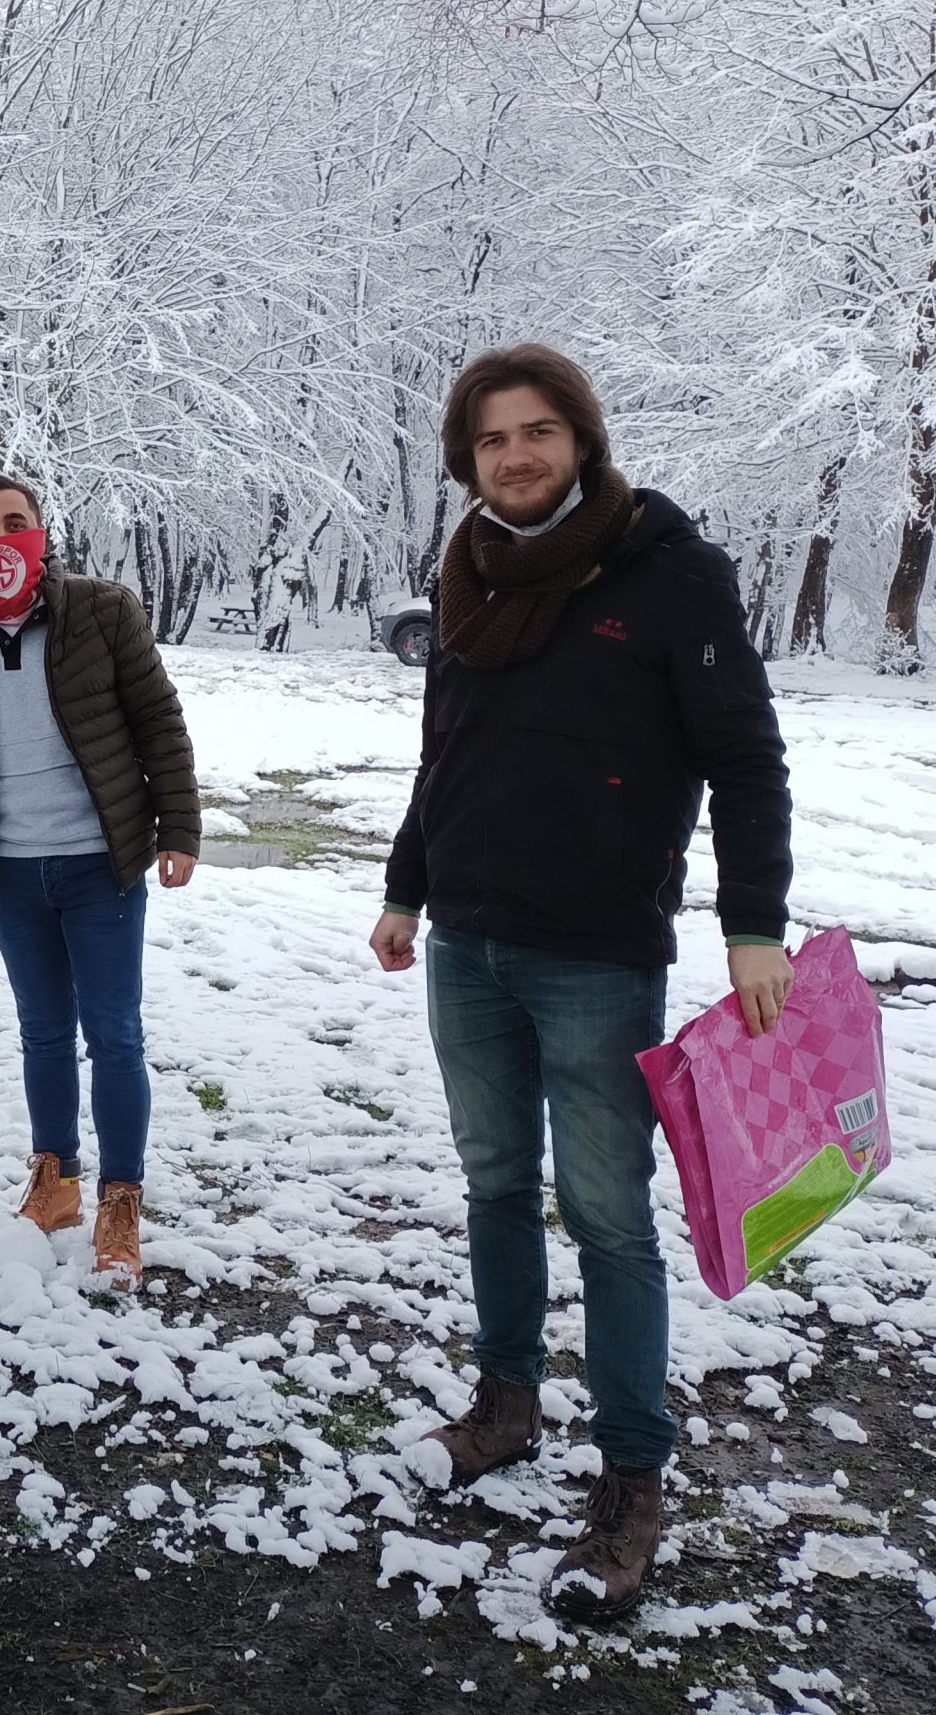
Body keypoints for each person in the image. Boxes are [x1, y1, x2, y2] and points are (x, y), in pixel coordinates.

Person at [368, 344, 794, 1620]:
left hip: (600, 955)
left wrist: (754, 923)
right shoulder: (469, 573)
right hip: (468, 941)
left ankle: (629, 1480)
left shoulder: (668, 571)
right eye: (494, 438)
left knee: (606, 1219)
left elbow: (747, 758)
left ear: (581, 439)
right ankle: (504, 1404)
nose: (517, 454)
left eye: (540, 430)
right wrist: (404, 888)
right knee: (493, 1187)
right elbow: (446, 751)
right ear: (468, 459)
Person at [0, 474, 200, 1287]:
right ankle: (58, 1179)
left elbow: (158, 722)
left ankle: (121, 1199)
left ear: (42, 531)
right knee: (42, 1032)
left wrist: (177, 827)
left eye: (16, 522)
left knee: (114, 1034)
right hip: (5, 869)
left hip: (99, 863)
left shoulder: (103, 611)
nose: (0, 538)